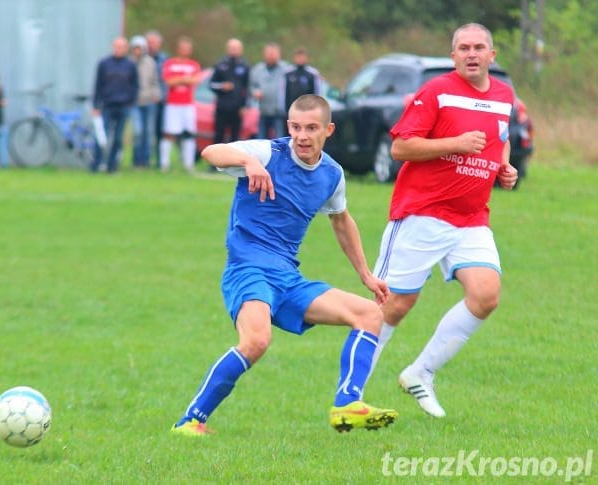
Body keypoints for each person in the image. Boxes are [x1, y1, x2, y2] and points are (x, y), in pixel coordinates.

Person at [170, 94, 398, 437]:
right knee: (256, 342)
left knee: (370, 314)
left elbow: (341, 220)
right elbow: (211, 152)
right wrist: (248, 164)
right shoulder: (268, 152)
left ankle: (347, 404)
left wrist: (366, 274)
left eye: (311, 128)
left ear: (328, 130)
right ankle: (190, 420)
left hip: (288, 279)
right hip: (248, 270)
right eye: (295, 127)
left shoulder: (332, 175)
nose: (302, 136)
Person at [368, 23, 519, 418]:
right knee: (395, 304)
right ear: (453, 56)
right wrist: (455, 143)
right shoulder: (436, 90)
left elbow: (499, 137)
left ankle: (421, 372)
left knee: (486, 295)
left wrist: (503, 167)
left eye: (479, 47)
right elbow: (401, 147)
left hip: (471, 219)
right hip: (422, 214)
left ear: (492, 55)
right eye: (464, 48)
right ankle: (350, 395)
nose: (472, 54)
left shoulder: (505, 96)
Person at [91, 37, 139, 173]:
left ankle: (112, 166)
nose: (119, 49)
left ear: (126, 48)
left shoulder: (130, 65)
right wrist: (96, 105)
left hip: (123, 106)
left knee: (118, 138)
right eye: (117, 46)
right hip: (107, 105)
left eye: (122, 47)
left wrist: (130, 102)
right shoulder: (104, 63)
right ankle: (97, 164)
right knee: (102, 137)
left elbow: (135, 86)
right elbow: (98, 85)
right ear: (113, 47)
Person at [159, 36, 200, 172]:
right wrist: (184, 79)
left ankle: (189, 164)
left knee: (189, 133)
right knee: (169, 133)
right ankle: (164, 164)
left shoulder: (194, 65)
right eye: (183, 48)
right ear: (178, 49)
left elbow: (195, 80)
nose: (185, 50)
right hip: (173, 104)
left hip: (188, 104)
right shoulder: (170, 63)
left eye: (187, 48)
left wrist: (178, 79)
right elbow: (169, 82)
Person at [209, 38, 249, 146]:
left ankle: (232, 163)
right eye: (232, 48)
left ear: (241, 50)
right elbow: (211, 84)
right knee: (219, 135)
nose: (234, 50)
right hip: (222, 107)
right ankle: (216, 162)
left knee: (235, 138)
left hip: (237, 108)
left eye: (236, 48)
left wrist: (245, 106)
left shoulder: (245, 66)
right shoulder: (220, 64)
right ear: (227, 49)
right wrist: (222, 86)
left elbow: (247, 88)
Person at [129, 35, 162, 168]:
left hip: (148, 101)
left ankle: (146, 160)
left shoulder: (150, 62)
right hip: (134, 102)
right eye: (135, 48)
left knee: (148, 133)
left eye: (140, 48)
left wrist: (156, 95)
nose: (137, 51)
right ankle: (136, 160)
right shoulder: (129, 63)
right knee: (137, 131)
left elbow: (154, 81)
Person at [249, 42, 290, 139]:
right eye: (269, 53)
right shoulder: (258, 69)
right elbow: (252, 86)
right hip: (263, 111)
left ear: (279, 54)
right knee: (261, 139)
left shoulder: (286, 69)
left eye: (273, 53)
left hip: (279, 112)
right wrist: (255, 92)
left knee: (279, 139)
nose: (271, 56)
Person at [146, 30, 168, 166]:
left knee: (160, 132)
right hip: (147, 100)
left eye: (154, 42)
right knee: (147, 131)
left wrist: (162, 96)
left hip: (162, 101)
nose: (151, 45)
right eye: (149, 42)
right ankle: (144, 160)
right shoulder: (141, 59)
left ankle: (160, 161)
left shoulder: (164, 59)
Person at [282, 47, 320, 120]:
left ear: (306, 58)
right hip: (291, 111)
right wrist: (284, 110)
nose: (300, 59)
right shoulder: (287, 73)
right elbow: (283, 92)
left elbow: (317, 93)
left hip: (307, 111)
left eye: (302, 57)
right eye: (298, 57)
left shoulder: (312, 74)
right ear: (294, 58)